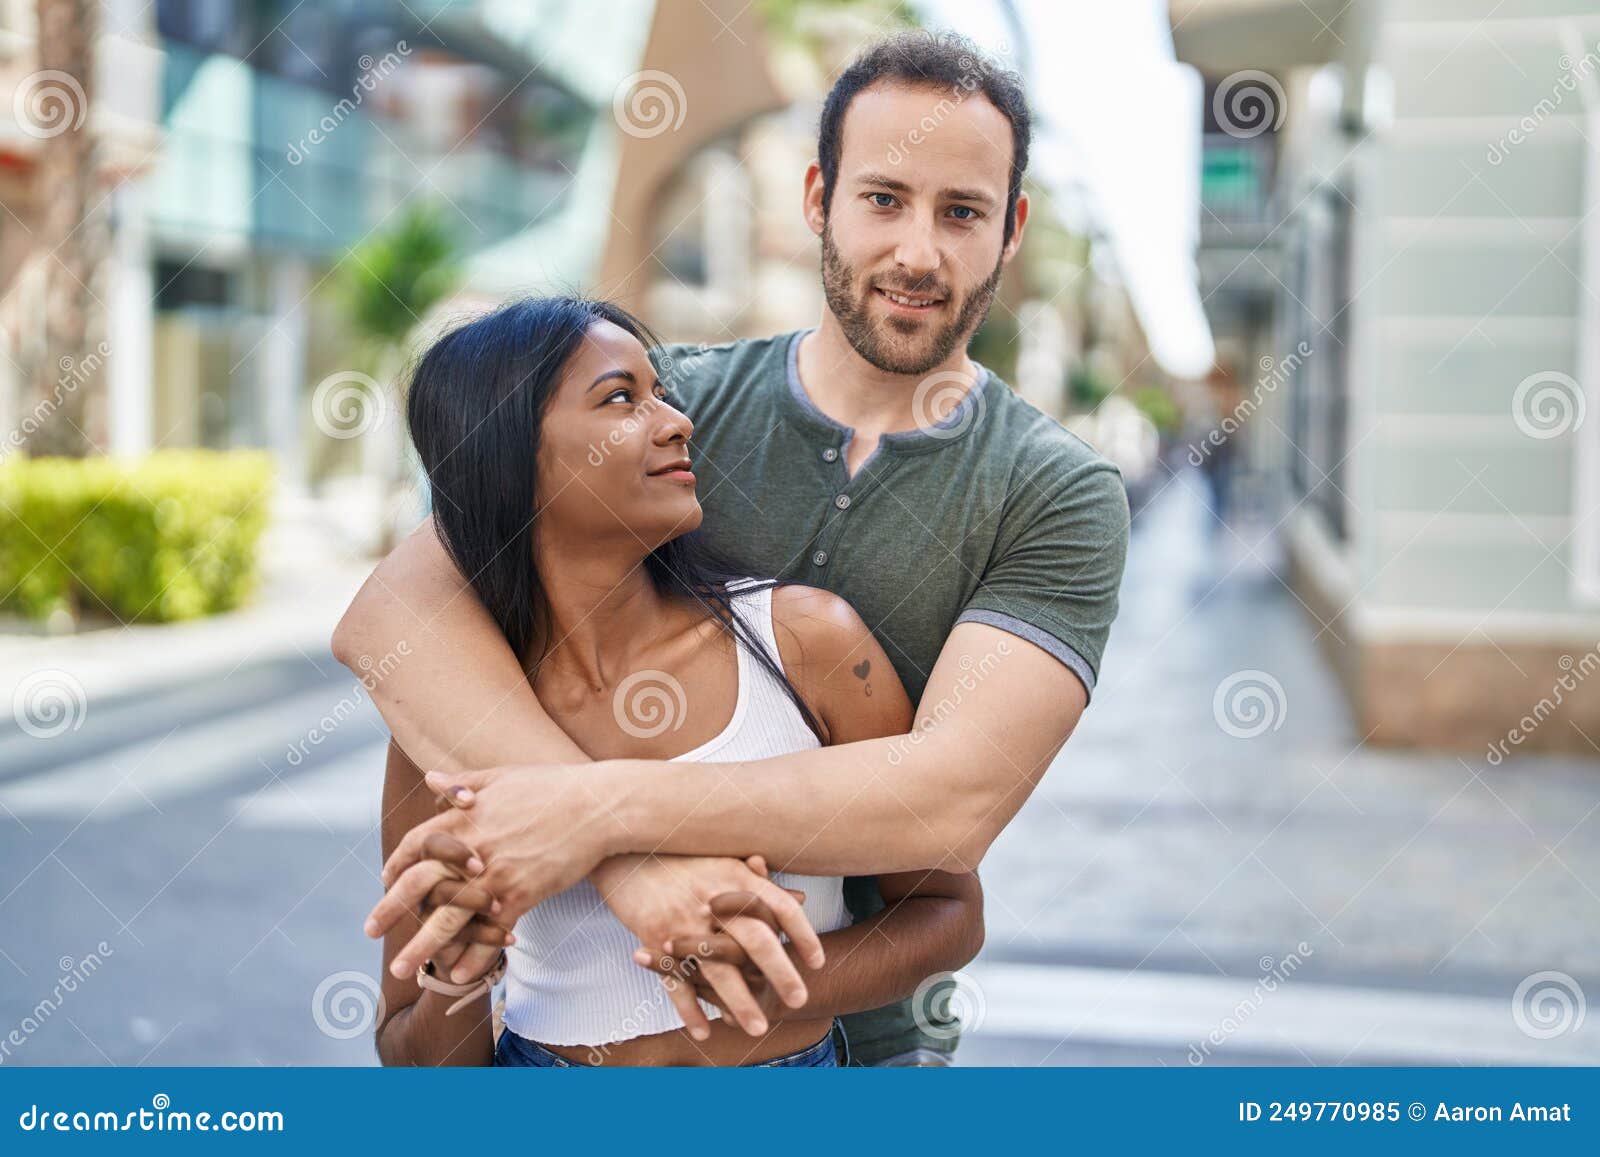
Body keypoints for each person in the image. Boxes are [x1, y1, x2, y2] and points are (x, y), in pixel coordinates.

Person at [344, 31, 1130, 1067]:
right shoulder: (676, 404)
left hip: (867, 1053)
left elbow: (950, 800)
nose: (917, 253)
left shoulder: (1056, 491)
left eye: (962, 212)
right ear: (818, 199)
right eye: (883, 198)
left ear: (1011, 228)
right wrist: (635, 879)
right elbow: (395, 611)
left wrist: (598, 815)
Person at [372, 296, 983, 1067]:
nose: (676, 421)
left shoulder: (805, 642)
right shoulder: (444, 716)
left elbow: (948, 910)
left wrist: (774, 984)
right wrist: (455, 973)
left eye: (661, 392)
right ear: (510, 455)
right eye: (621, 398)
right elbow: (409, 1056)